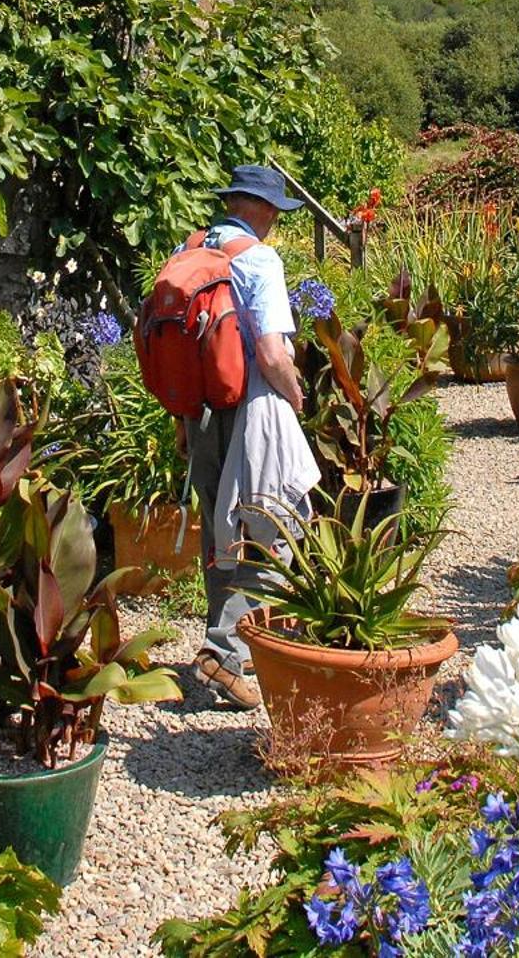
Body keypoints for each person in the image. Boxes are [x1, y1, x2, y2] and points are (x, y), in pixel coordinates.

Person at [184, 164, 321, 709]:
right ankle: (226, 651)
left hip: (198, 414)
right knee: (271, 523)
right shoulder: (260, 260)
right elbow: (269, 353)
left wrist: (181, 421)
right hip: (250, 413)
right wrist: (296, 394)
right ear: (261, 210)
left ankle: (225, 646)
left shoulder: (189, 249)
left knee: (219, 528)